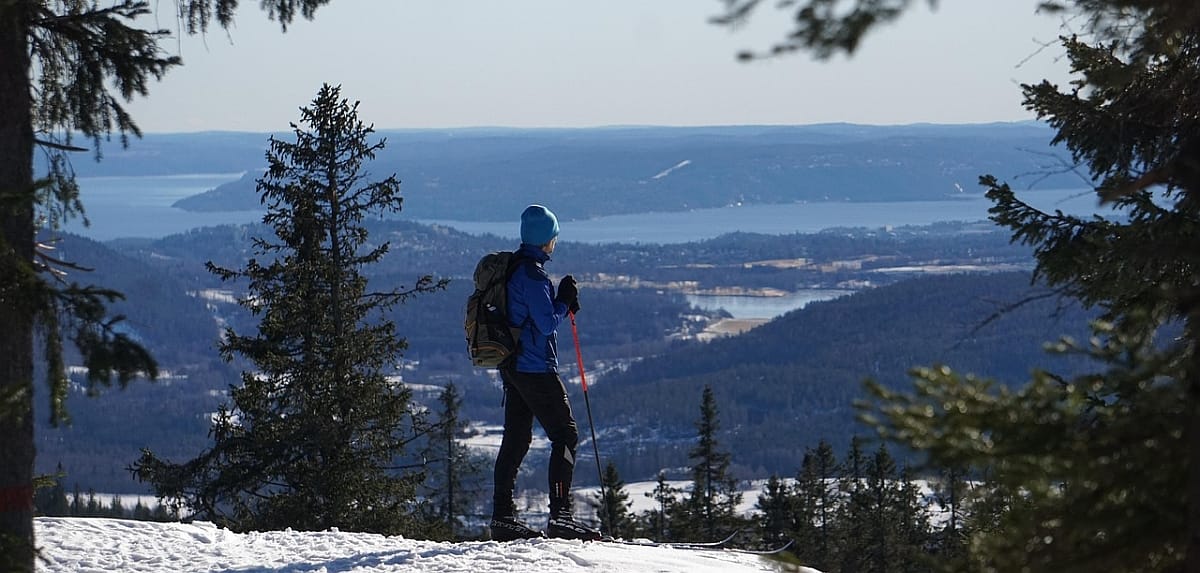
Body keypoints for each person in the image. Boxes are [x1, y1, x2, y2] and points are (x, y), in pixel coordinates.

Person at [488, 204, 601, 542]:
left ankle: (503, 517)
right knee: (565, 436)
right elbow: (547, 321)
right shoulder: (533, 276)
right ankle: (561, 516)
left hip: (513, 367)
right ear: (545, 239)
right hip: (535, 367)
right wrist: (565, 300)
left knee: (517, 439)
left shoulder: (513, 270)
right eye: (554, 236)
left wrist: (560, 300)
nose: (555, 242)